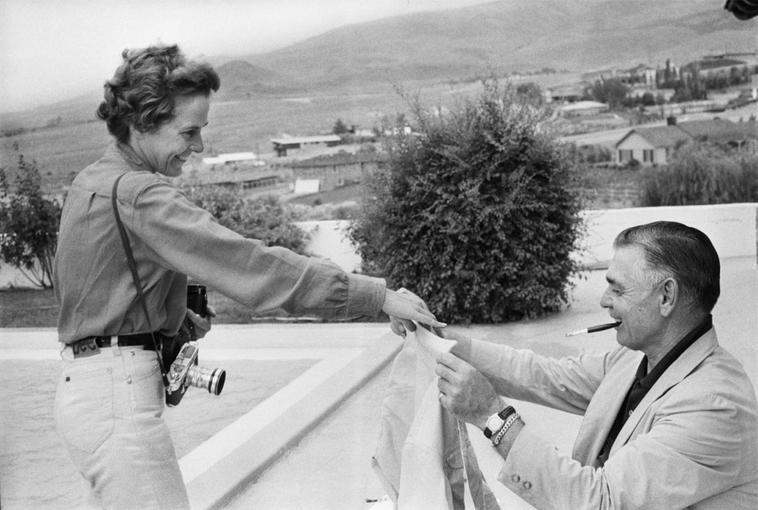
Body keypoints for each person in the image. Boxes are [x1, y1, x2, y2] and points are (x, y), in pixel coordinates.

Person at [53, 43, 443, 510]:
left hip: (84, 395)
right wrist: (375, 296)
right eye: (189, 131)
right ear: (143, 123)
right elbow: (252, 265)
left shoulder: (91, 181)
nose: (198, 146)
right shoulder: (141, 196)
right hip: (118, 404)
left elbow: (97, 290)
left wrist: (168, 315)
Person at [431, 221, 758, 509]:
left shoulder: (715, 406)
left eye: (618, 288)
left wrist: (493, 417)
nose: (603, 300)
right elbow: (546, 376)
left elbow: (601, 502)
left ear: (666, 296)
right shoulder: (636, 357)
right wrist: (447, 341)